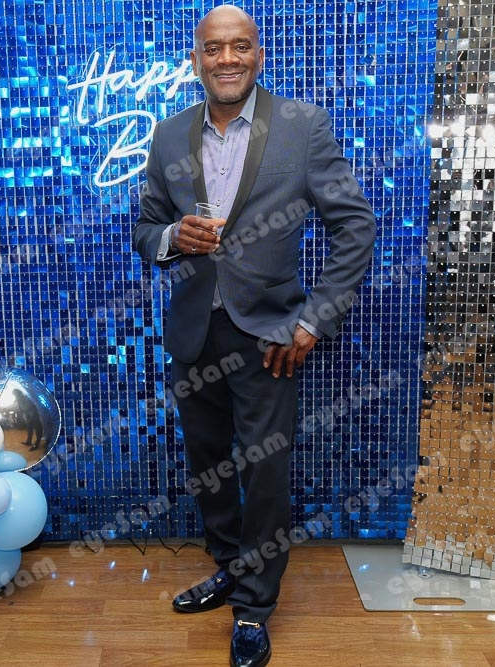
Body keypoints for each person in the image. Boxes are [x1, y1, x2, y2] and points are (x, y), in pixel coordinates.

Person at [132, 6, 376, 667]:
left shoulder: (302, 126)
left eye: (240, 46)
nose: (227, 59)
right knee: (208, 465)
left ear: (258, 55)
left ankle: (253, 607)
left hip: (270, 336)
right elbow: (145, 229)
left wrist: (312, 320)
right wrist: (171, 237)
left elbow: (356, 225)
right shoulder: (168, 134)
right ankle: (228, 567)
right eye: (214, 49)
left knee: (264, 473)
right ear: (196, 60)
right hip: (194, 331)